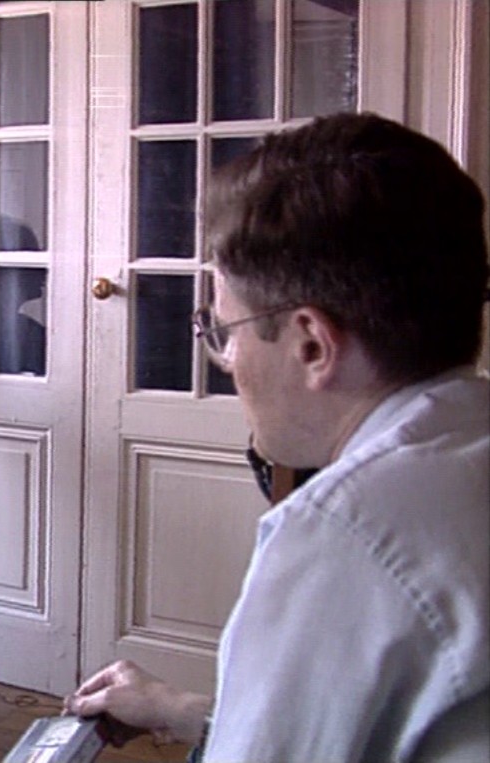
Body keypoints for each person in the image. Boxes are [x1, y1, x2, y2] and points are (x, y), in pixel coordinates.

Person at [65, 112, 489, 762]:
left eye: (224, 330)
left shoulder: (341, 534)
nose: (227, 361)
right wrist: (186, 711)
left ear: (311, 344)